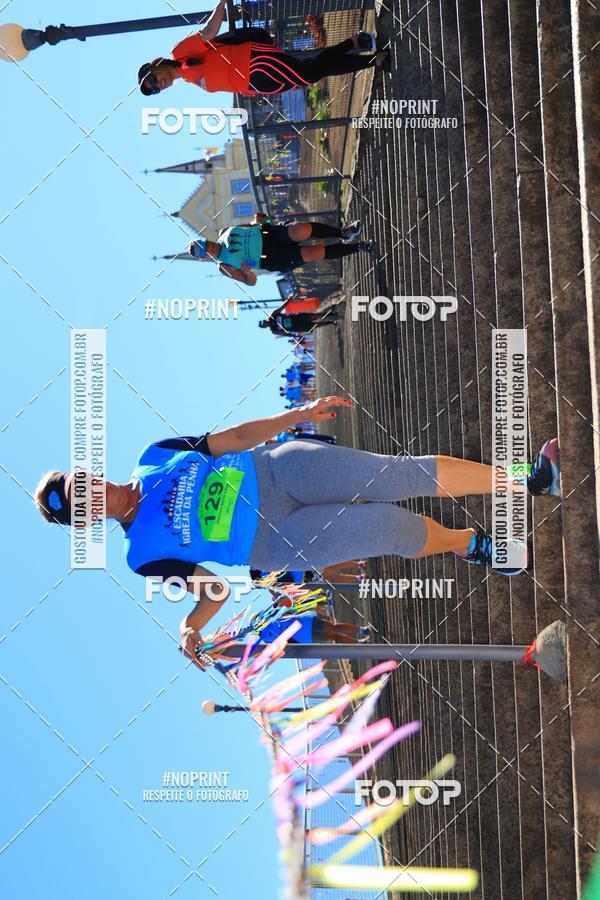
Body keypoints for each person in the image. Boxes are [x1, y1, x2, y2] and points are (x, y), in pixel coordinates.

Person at [34, 401, 560, 669]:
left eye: (83, 483)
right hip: (276, 541)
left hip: (279, 469)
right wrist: (190, 628)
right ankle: (472, 545)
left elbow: (234, 437)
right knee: (390, 527)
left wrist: (299, 414)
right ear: (85, 521)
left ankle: (529, 479)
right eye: (82, 505)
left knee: (399, 475)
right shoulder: (141, 555)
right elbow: (212, 590)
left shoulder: (154, 455)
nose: (92, 494)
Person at [137, 0, 390, 98]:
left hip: (254, 61)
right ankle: (356, 43)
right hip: (256, 85)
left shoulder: (179, 53)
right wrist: (249, 91)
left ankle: (372, 58)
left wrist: (222, 2)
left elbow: (209, 32)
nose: (159, 84)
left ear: (155, 67)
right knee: (311, 73)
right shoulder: (190, 81)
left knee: (310, 73)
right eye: (155, 89)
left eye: (153, 79)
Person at [187, 214, 371, 283]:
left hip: (271, 234)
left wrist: (258, 220)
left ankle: (343, 233)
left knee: (302, 229)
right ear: (205, 257)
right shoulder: (224, 266)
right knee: (315, 252)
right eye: (205, 250)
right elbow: (250, 282)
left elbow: (250, 226)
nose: (209, 246)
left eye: (205, 242)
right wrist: (248, 272)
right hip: (273, 257)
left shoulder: (224, 231)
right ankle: (359, 246)